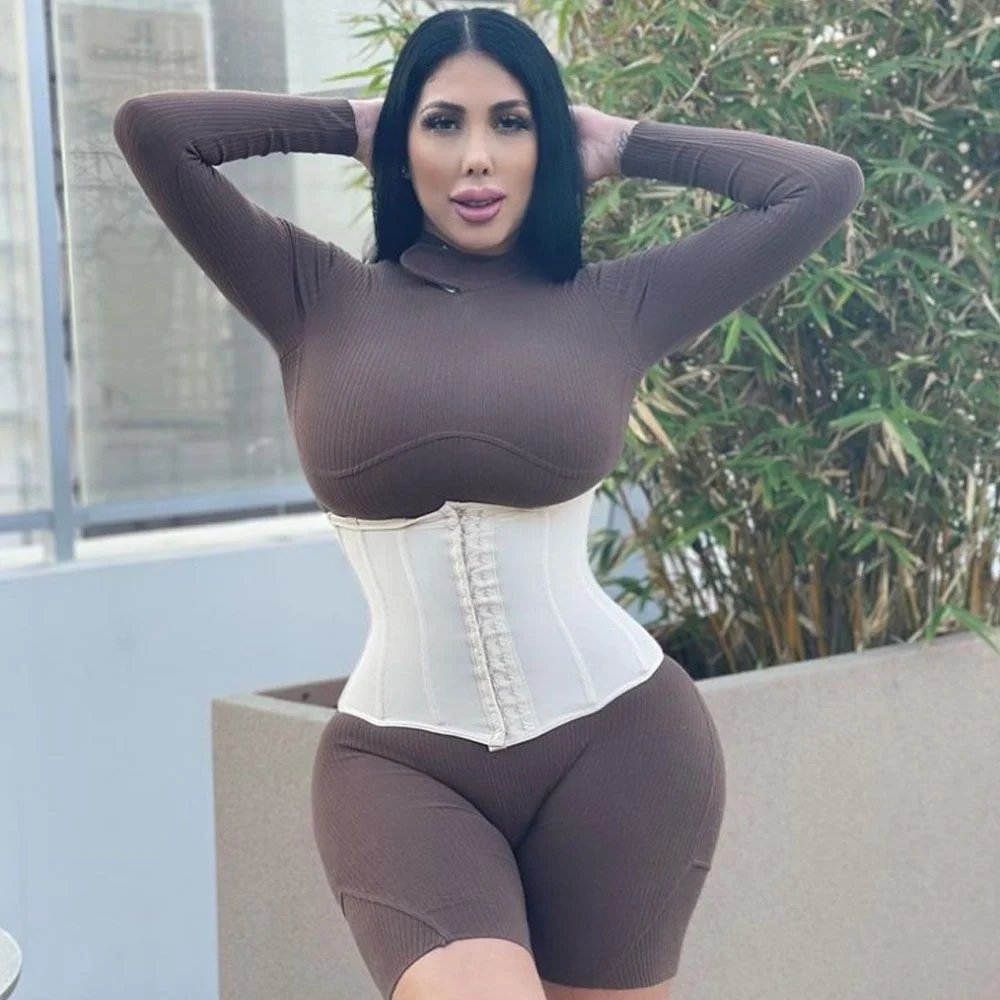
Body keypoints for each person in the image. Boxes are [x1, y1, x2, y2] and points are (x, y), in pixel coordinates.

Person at [113, 6, 863, 1000]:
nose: (477, 156)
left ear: (550, 141)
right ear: (402, 141)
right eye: (443, 123)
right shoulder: (310, 294)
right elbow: (154, 131)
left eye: (511, 122)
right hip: (400, 763)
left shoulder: (616, 304)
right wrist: (356, 124)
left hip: (624, 747)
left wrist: (622, 143)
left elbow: (819, 184)